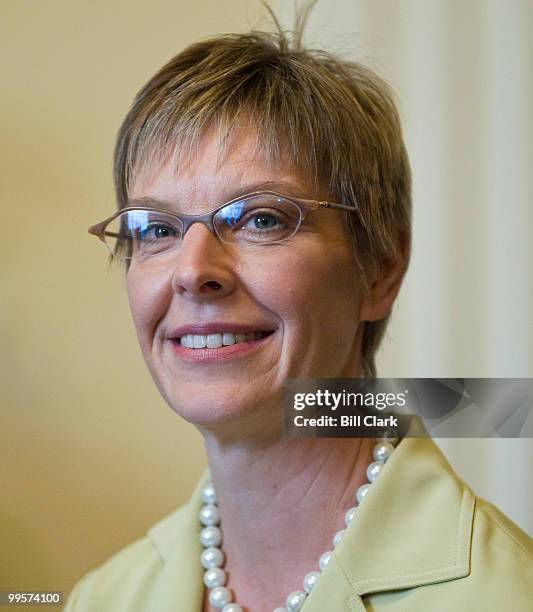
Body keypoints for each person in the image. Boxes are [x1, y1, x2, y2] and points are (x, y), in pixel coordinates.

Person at [64, 8, 532, 612]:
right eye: (155, 228)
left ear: (380, 270)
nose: (191, 270)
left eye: (261, 218)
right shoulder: (100, 599)